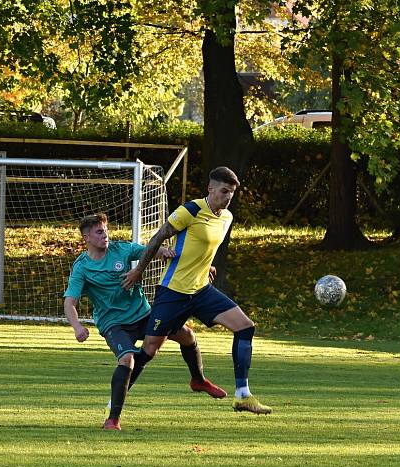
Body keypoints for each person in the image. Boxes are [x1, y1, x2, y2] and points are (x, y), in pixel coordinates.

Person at [122, 166, 272, 415]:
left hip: (201, 290)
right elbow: (158, 237)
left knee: (245, 327)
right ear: (210, 189)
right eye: (223, 191)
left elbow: (204, 246)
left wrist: (206, 264)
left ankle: (242, 395)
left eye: (231, 193)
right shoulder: (190, 210)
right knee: (149, 349)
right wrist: (139, 270)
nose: (227, 197)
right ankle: (116, 401)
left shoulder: (226, 218)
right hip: (173, 291)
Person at [64, 213, 227, 431]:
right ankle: (112, 420)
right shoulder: (82, 267)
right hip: (114, 324)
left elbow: (152, 250)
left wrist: (187, 261)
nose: (106, 236)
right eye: (99, 232)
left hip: (143, 314)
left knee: (187, 335)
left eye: (106, 230)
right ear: (87, 238)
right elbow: (70, 302)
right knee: (127, 360)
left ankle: (198, 380)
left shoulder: (121, 249)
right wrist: (77, 327)